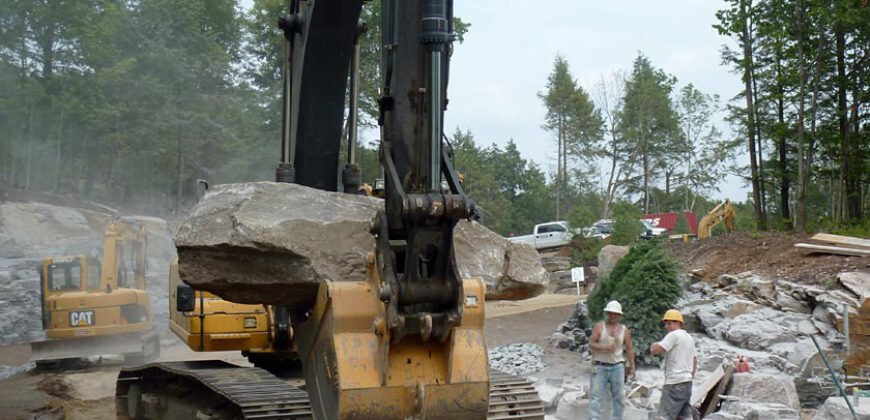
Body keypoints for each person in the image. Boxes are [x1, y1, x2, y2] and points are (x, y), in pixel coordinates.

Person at [588, 300, 636, 420]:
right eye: (610, 313)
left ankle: (617, 418)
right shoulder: (600, 327)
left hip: (617, 366)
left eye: (615, 314)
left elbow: (629, 349)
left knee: (619, 396)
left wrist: (632, 367)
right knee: (595, 395)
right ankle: (595, 418)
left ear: (619, 315)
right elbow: (591, 344)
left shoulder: (625, 331)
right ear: (607, 313)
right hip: (600, 366)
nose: (613, 316)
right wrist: (604, 347)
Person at [650, 309, 697, 420]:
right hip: (687, 383)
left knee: (664, 416)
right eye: (665, 323)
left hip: (674, 383)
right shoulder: (689, 338)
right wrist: (690, 376)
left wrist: (654, 344)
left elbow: (655, 350)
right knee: (683, 417)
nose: (666, 326)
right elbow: (694, 359)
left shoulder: (673, 335)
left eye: (669, 323)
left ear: (678, 323)